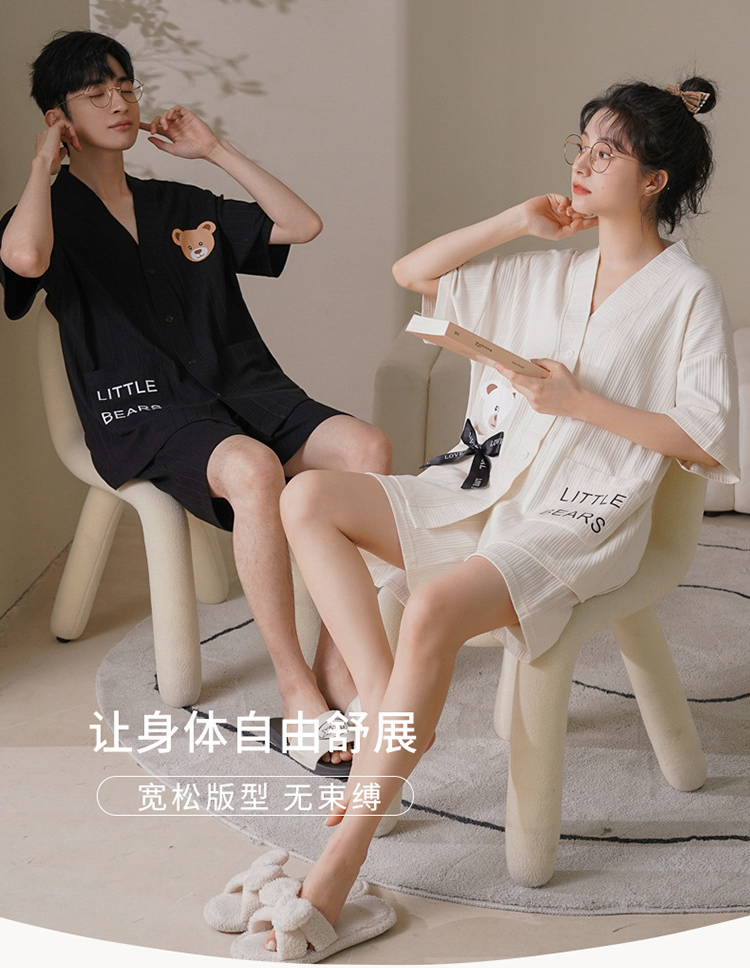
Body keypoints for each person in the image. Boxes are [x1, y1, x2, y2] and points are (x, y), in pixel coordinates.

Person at [232, 76, 739, 960]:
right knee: (305, 495)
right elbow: (414, 274)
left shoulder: (687, 292)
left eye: (608, 152)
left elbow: (701, 436)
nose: (584, 163)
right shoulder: (549, 271)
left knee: (428, 605)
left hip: (577, 518)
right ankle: (392, 712)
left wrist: (580, 403)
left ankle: (338, 869)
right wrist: (517, 220)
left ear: (655, 179)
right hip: (478, 489)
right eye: (581, 145)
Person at [0, 29, 392, 774]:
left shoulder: (176, 202)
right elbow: (23, 260)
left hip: (244, 389)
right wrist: (41, 167)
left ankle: (337, 662)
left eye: (125, 86)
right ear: (59, 117)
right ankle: (296, 688)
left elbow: (301, 225)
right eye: (95, 93)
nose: (119, 102)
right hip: (145, 411)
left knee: (368, 448)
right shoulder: (49, 215)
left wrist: (214, 150)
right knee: (252, 468)